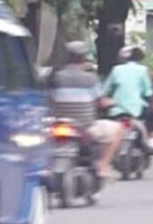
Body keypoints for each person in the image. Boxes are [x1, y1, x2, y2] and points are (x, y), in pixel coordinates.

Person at [48, 42, 124, 178]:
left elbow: (49, 100)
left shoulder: (55, 78)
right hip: (86, 127)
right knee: (118, 129)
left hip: (58, 124)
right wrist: (112, 102)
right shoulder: (91, 79)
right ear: (83, 58)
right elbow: (102, 103)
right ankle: (102, 166)